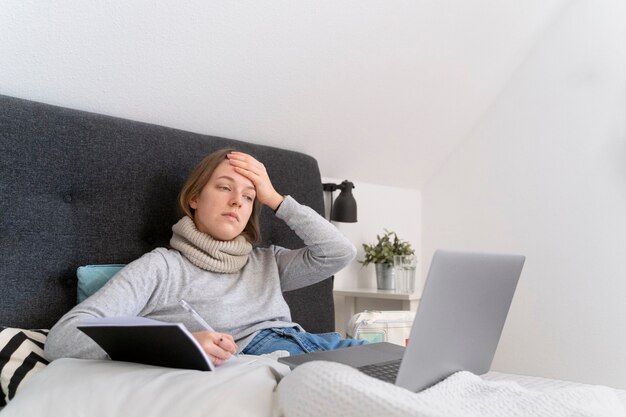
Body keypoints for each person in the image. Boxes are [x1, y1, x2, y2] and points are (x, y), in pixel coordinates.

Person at [45, 149, 365, 365]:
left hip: (315, 347)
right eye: (225, 188)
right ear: (195, 197)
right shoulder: (162, 267)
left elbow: (338, 253)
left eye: (250, 196)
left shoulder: (267, 262)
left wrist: (275, 199)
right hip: (263, 364)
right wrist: (181, 346)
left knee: (405, 370)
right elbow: (62, 340)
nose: (238, 201)